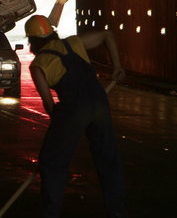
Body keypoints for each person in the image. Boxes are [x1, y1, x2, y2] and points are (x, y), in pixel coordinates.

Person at [24, 14, 127, 217]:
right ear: (52, 32)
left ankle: (50, 213)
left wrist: (63, 129)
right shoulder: (74, 42)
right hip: (99, 103)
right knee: (108, 159)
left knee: (52, 163)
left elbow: (49, 104)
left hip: (72, 109)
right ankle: (118, 212)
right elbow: (107, 34)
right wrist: (118, 67)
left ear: (31, 40)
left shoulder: (38, 65)